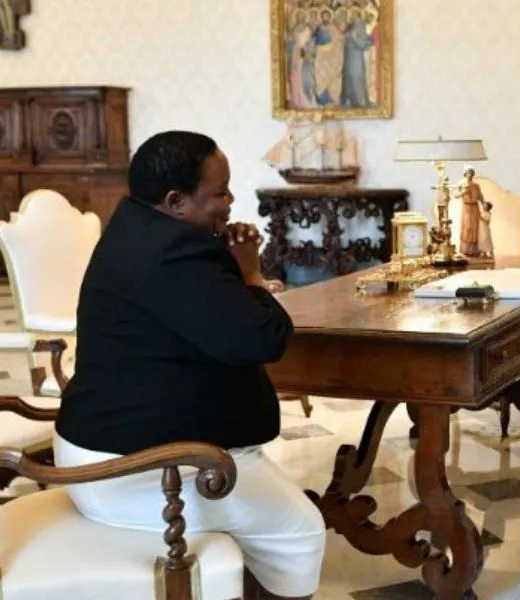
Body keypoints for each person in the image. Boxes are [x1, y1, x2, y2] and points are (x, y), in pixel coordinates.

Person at [54, 130, 325, 600]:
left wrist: (234, 266)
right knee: (301, 532)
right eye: (219, 191)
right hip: (129, 469)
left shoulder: (138, 224)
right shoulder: (175, 252)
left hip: (104, 445)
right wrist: (252, 274)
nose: (230, 200)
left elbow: (204, 316)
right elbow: (262, 339)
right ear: (176, 200)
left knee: (268, 511)